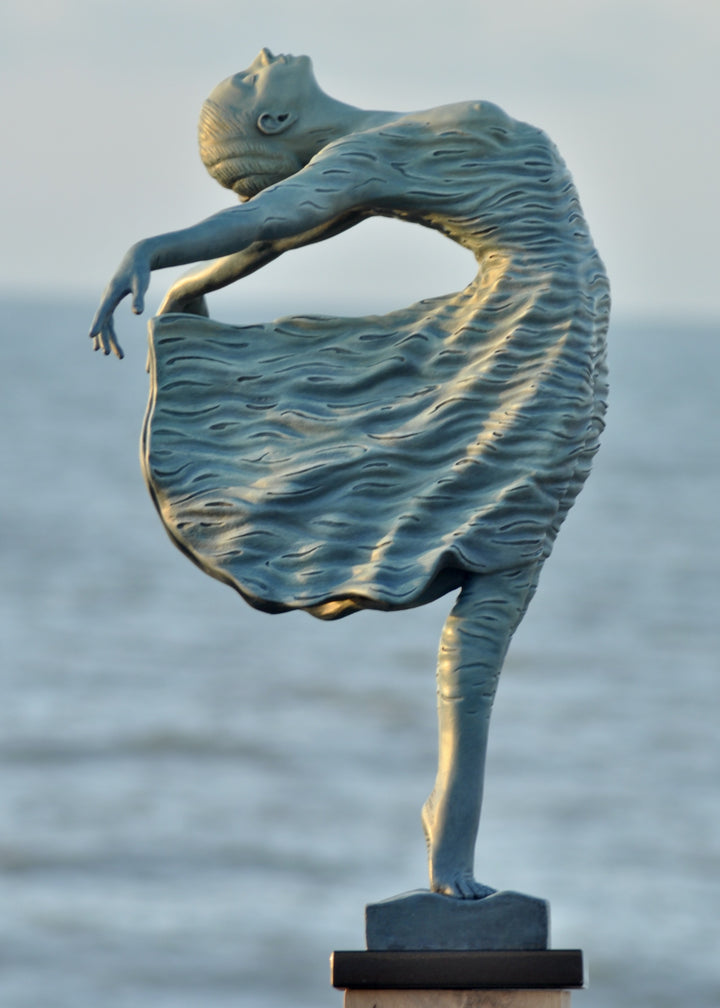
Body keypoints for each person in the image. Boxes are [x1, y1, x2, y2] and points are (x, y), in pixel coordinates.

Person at [90, 48, 609, 899]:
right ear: (272, 123)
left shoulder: (372, 152)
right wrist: (157, 251)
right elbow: (281, 217)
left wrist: (194, 274)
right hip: (536, 343)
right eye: (248, 83)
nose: (260, 60)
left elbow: (294, 219)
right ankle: (452, 851)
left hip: (560, 341)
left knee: (497, 592)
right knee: (494, 600)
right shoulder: (362, 160)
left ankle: (449, 837)